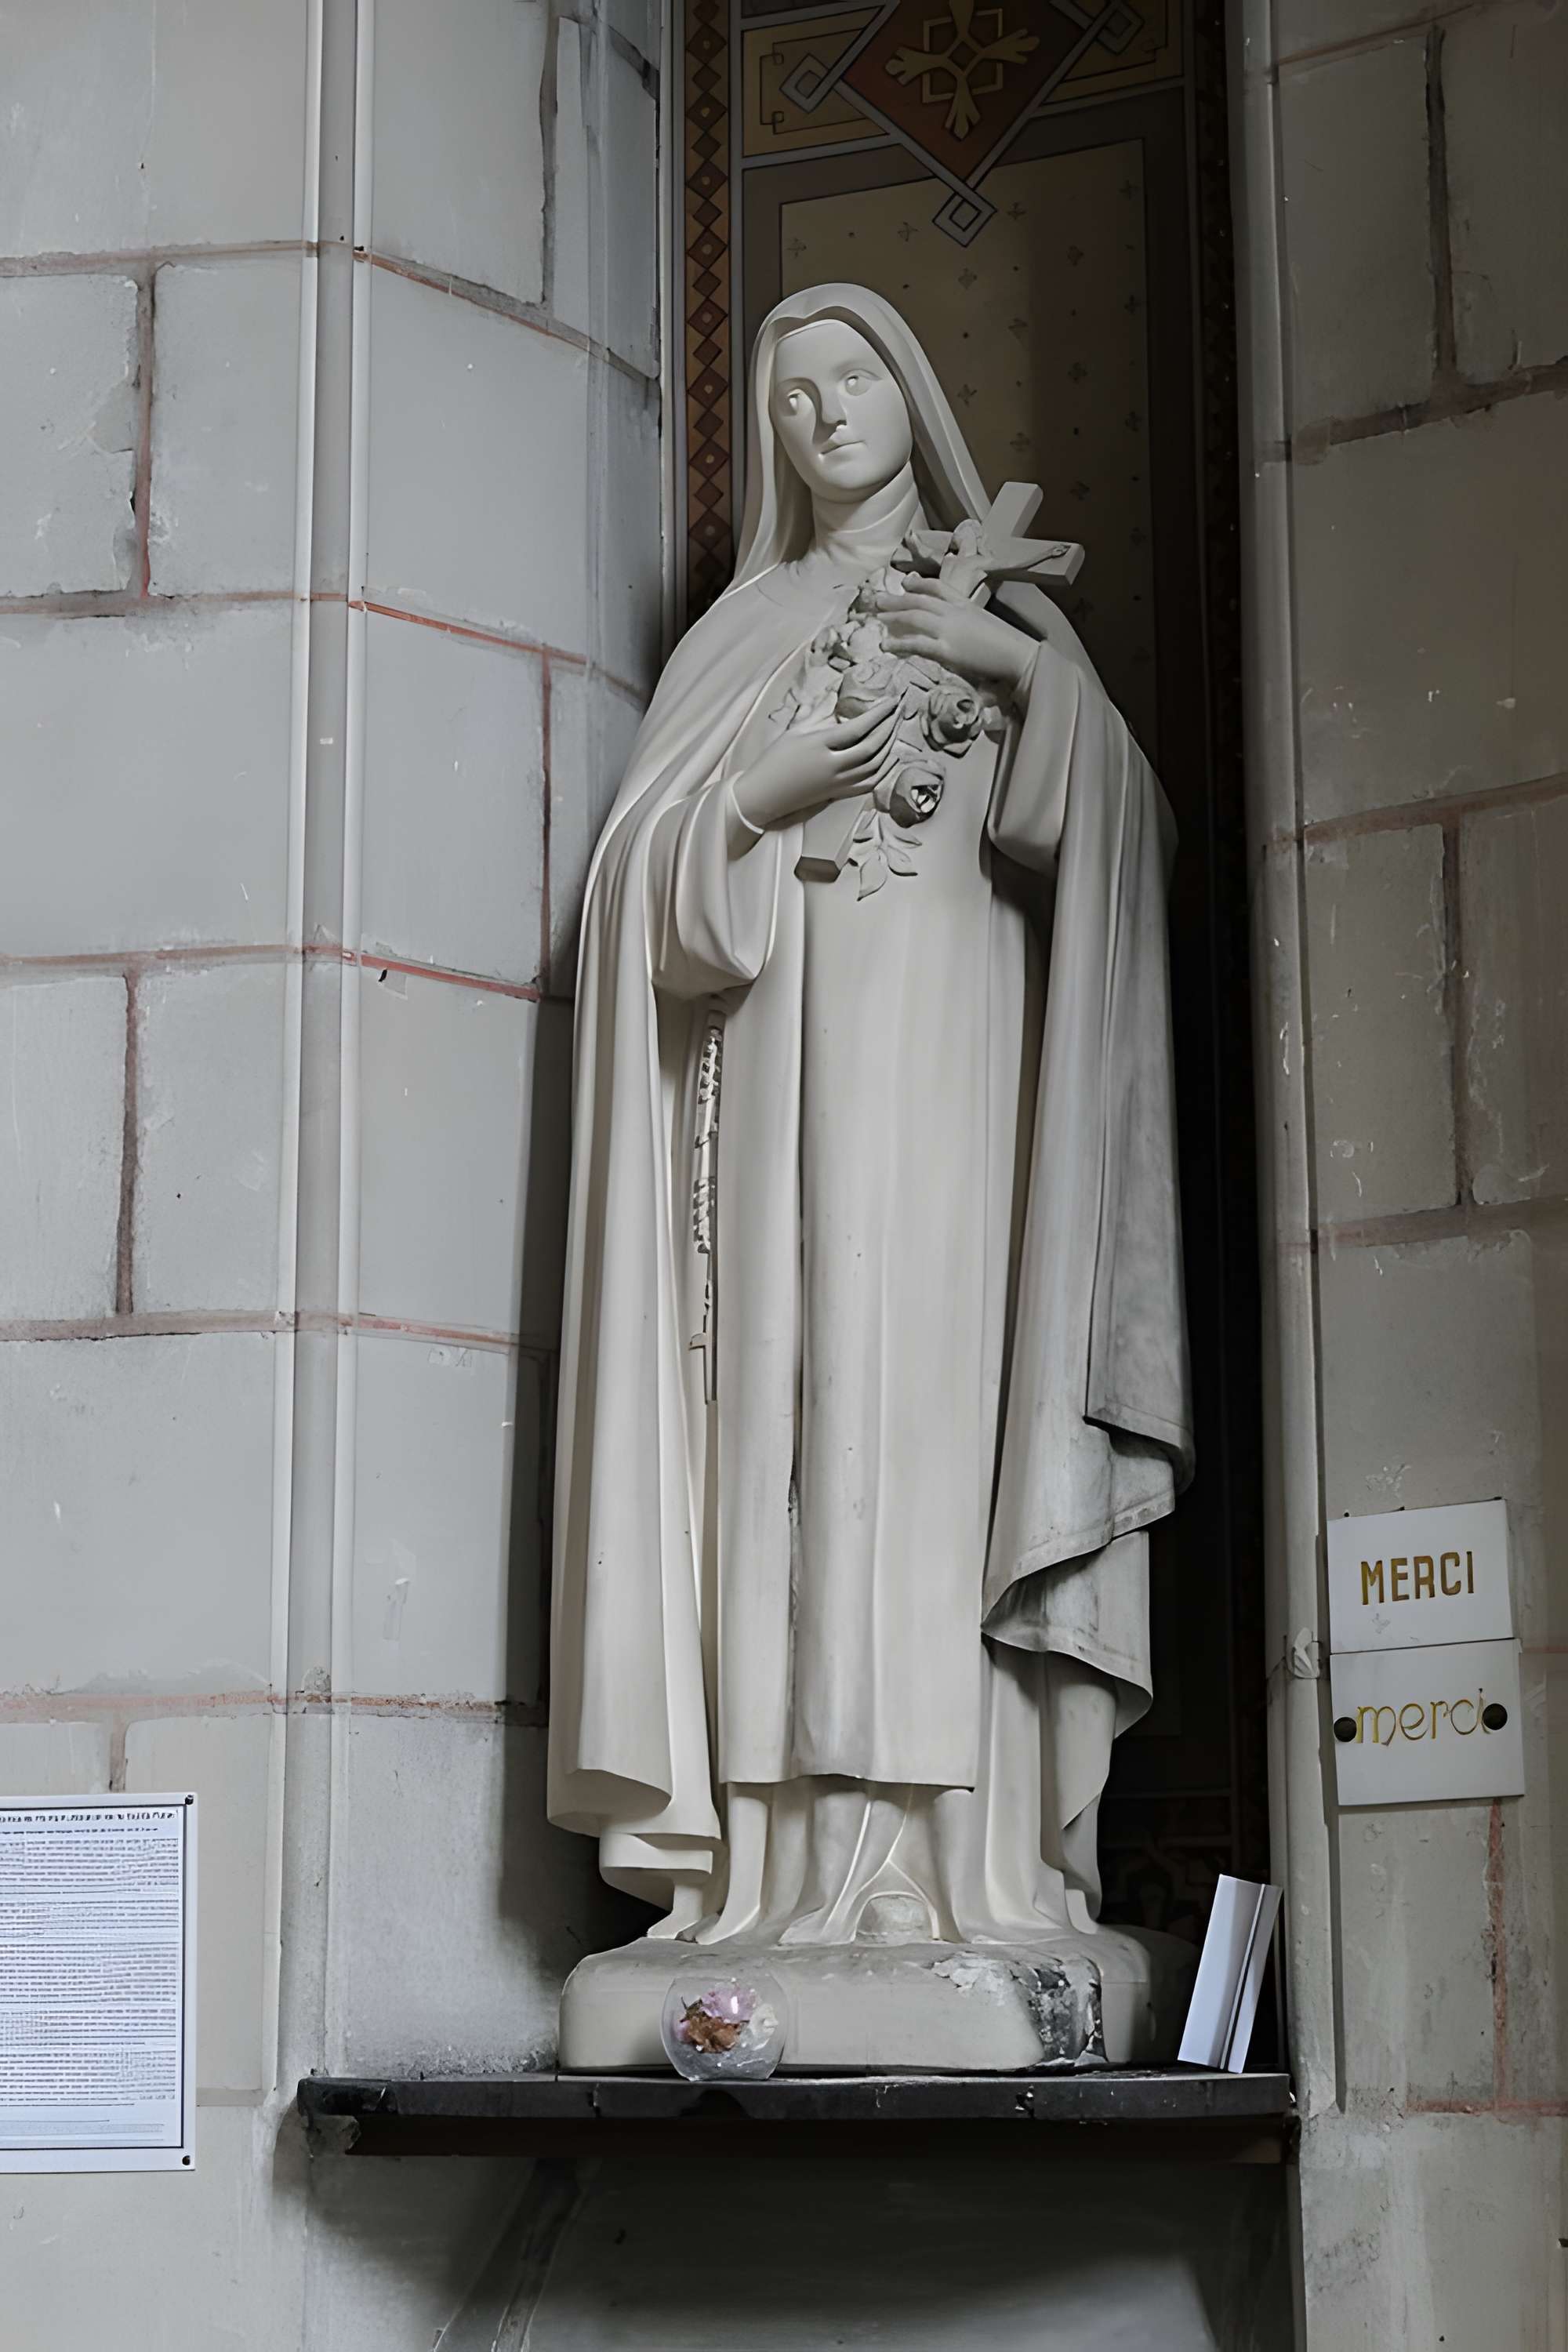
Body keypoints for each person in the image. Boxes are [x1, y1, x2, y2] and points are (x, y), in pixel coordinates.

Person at [547, 284, 1190, 1953]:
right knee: (783, 1430)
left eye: (851, 381)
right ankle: (777, 1881)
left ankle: (956, 1868)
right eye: (788, 398)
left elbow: (1126, 843)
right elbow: (631, 895)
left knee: (927, 1426)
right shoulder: (736, 636)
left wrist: (1009, 674)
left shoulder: (1007, 610)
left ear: (911, 394)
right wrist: (761, 792)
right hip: (768, 1105)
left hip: (962, 1096)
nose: (822, 417)